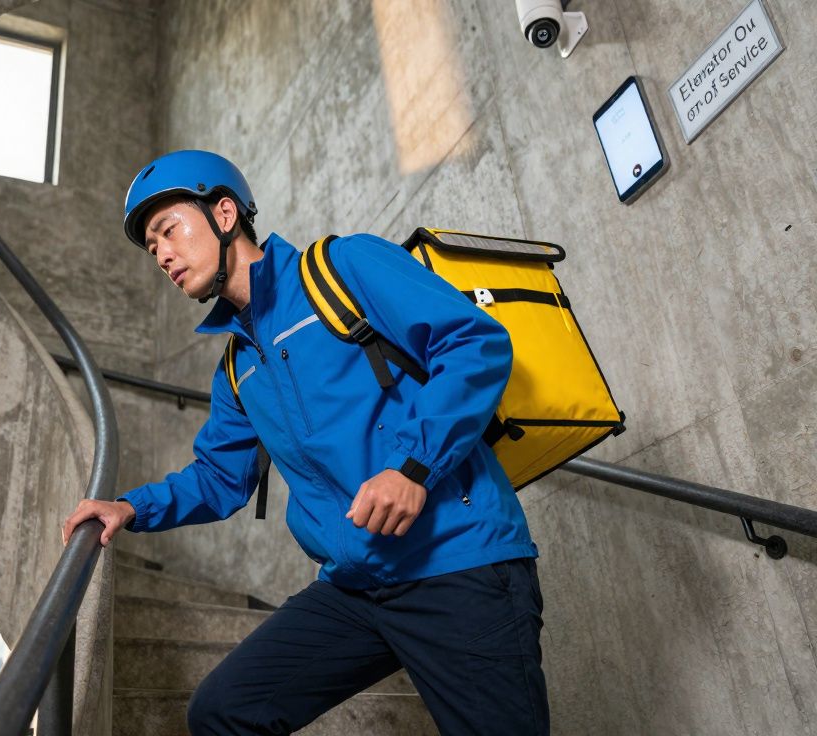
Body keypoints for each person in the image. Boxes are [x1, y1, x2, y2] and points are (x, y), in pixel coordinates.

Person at [61, 150, 548, 735]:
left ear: (223, 214)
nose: (162, 255)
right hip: (357, 588)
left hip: (459, 564)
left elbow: (475, 344)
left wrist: (412, 468)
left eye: (169, 230)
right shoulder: (238, 368)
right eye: (151, 248)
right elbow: (219, 480)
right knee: (224, 711)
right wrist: (130, 508)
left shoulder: (344, 268)